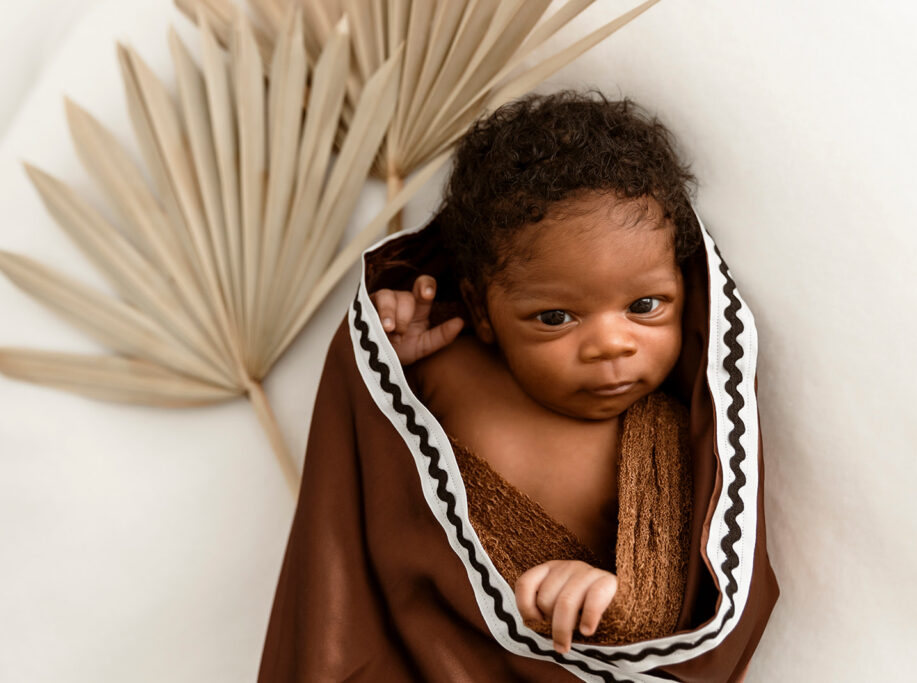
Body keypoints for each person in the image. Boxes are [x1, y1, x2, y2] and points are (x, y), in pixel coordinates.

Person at [257, 91, 779, 682]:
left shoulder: (658, 432)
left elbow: (665, 598)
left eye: (645, 306)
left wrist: (606, 598)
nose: (612, 343)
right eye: (556, 317)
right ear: (482, 310)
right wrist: (390, 351)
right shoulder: (449, 367)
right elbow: (376, 464)